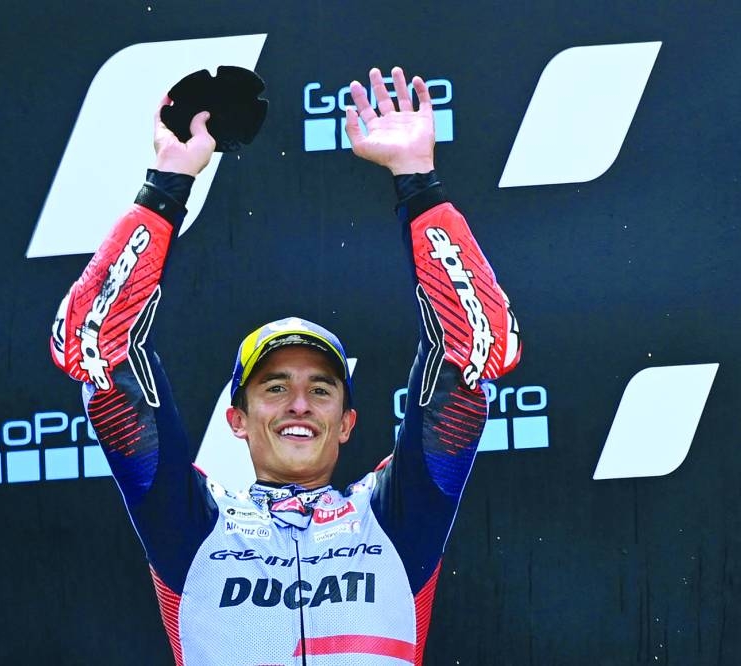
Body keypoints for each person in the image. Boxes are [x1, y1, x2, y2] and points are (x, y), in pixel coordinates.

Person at [50, 66, 521, 666]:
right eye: (275, 387)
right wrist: (166, 185)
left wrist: (417, 180)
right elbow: (95, 349)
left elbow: (477, 349)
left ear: (347, 422)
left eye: (320, 389)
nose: (299, 404)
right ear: (237, 418)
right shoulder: (192, 526)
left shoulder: (395, 517)